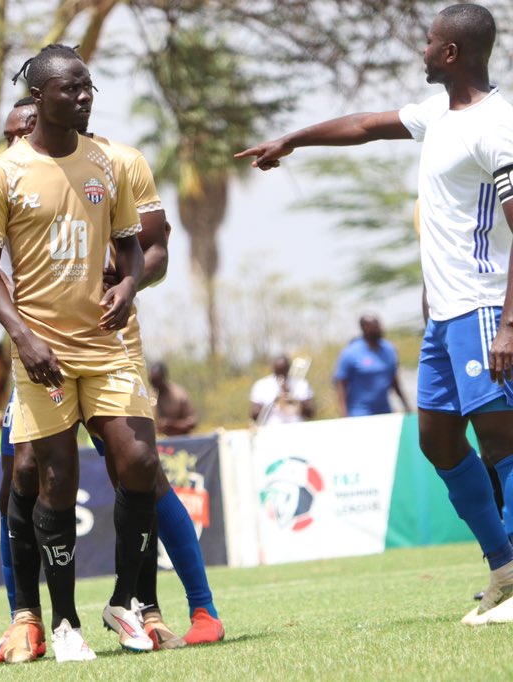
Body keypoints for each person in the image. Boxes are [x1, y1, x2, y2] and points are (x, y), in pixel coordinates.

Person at [237, 3, 513, 625]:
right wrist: (293, 140)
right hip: (443, 318)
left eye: (429, 42)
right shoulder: (439, 115)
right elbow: (364, 125)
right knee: (438, 440)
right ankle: (504, 567)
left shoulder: (498, 126)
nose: (421, 51)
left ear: (452, 54)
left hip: (486, 306)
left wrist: (512, 324)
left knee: (500, 440)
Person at [0, 44, 160, 661]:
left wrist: (127, 286)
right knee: (56, 479)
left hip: (107, 346)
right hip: (41, 353)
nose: (83, 98)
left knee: (138, 463)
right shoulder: (3, 172)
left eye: (89, 89)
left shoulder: (107, 162)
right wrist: (22, 335)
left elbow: (131, 246)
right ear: (40, 96)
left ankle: (124, 602)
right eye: (71, 90)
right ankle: (65, 623)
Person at [334, 314, 411, 417]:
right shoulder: (350, 352)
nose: (379, 328)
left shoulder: (389, 349)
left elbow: (394, 380)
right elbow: (340, 383)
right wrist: (343, 413)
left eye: (379, 324)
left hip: (384, 409)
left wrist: (405, 405)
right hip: (360, 411)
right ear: (364, 328)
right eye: (374, 325)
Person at [249, 355, 315, 425]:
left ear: (288, 368)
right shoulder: (261, 385)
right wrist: (274, 402)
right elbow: (254, 415)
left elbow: (310, 413)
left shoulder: (301, 384)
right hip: (271, 430)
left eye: (284, 371)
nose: (281, 376)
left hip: (296, 428)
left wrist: (291, 396)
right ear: (273, 369)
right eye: (278, 371)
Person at [149, 362, 198, 436]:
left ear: (164, 378)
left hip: (178, 442)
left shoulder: (178, 395)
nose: (155, 385)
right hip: (155, 442)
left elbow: (192, 422)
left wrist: (171, 424)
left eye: (157, 381)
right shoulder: (149, 395)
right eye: (153, 382)